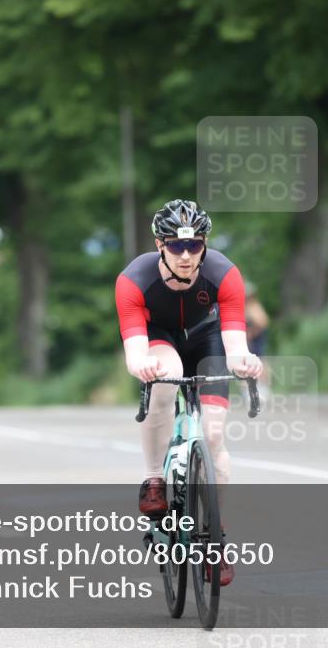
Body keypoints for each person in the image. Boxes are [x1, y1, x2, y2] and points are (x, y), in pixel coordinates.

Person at [115, 199, 263, 586]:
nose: (185, 255)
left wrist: (246, 361)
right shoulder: (133, 280)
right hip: (160, 339)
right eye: (176, 246)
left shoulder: (224, 274)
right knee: (166, 381)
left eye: (194, 245)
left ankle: (215, 537)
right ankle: (153, 479)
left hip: (207, 338)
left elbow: (235, 345)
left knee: (213, 434)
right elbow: (134, 353)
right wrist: (144, 365)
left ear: (205, 245)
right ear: (159, 244)